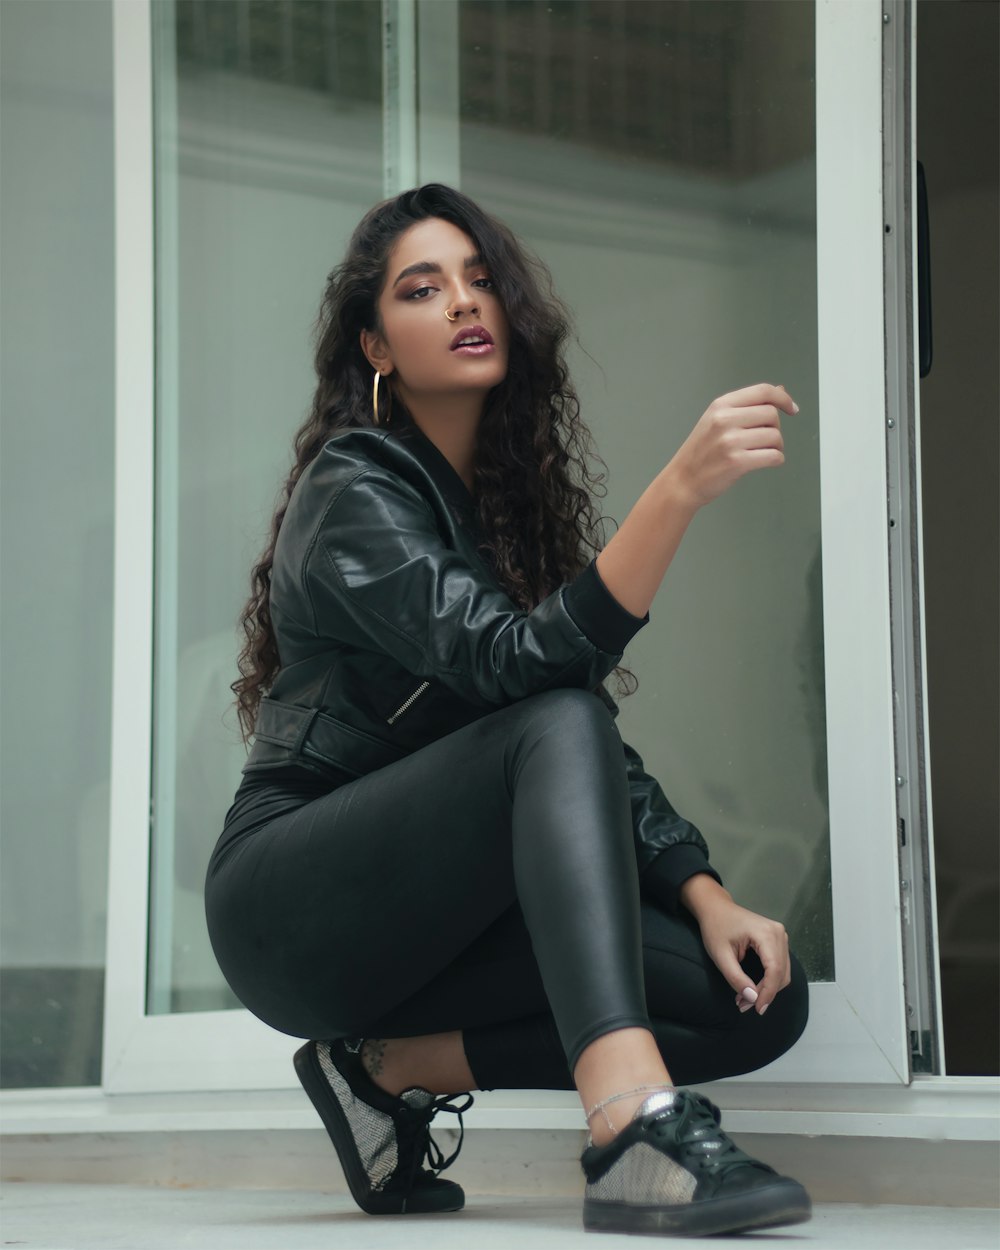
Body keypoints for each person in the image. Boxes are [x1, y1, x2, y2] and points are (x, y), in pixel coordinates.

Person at [204, 183, 812, 1238]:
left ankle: (384, 1068)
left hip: (422, 927)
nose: (460, 301)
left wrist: (703, 890)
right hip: (290, 904)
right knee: (554, 713)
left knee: (755, 995)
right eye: (421, 287)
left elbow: (565, 728)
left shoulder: (481, 523)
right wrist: (676, 489)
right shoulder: (352, 488)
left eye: (479, 279)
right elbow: (522, 671)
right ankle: (630, 1131)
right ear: (375, 345)